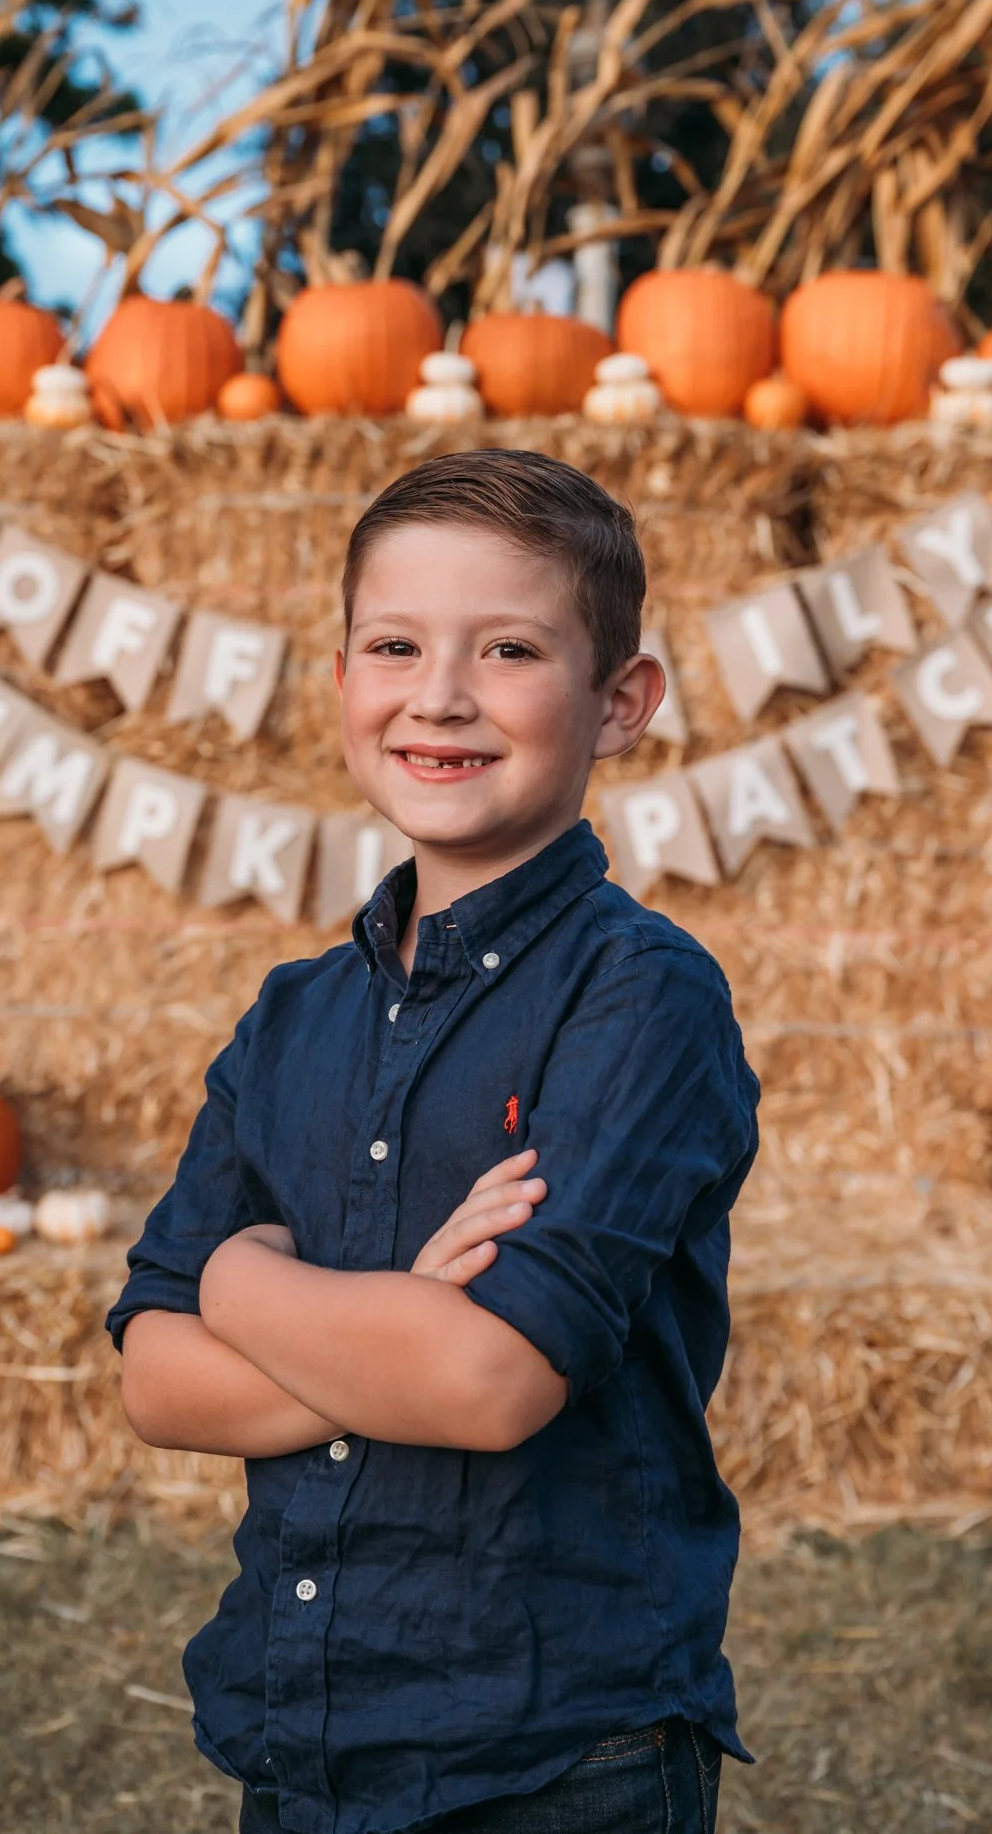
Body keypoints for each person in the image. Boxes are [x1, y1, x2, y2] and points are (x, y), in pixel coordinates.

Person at [106, 447, 760, 1834]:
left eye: (511, 648)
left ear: (620, 703)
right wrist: (389, 1322)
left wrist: (246, 1288)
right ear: (342, 679)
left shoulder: (640, 998)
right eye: (395, 644)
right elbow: (157, 1383)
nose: (442, 694)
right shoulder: (294, 1018)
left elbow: (487, 1382)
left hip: (558, 1754)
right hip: (307, 1735)